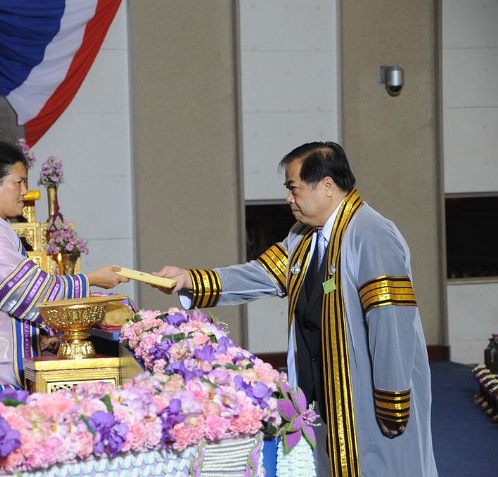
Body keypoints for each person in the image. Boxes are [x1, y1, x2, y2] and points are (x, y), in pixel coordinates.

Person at [155, 141, 437, 476]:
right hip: (324, 396)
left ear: (327, 186)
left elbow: (390, 323)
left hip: (366, 399)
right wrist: (190, 279)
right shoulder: (303, 236)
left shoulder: (372, 235)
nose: (289, 199)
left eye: (294, 189)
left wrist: (392, 402)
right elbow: (260, 274)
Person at [0, 140, 128, 388]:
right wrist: (91, 280)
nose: (26, 191)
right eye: (19, 182)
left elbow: (11, 299)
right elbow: (32, 293)